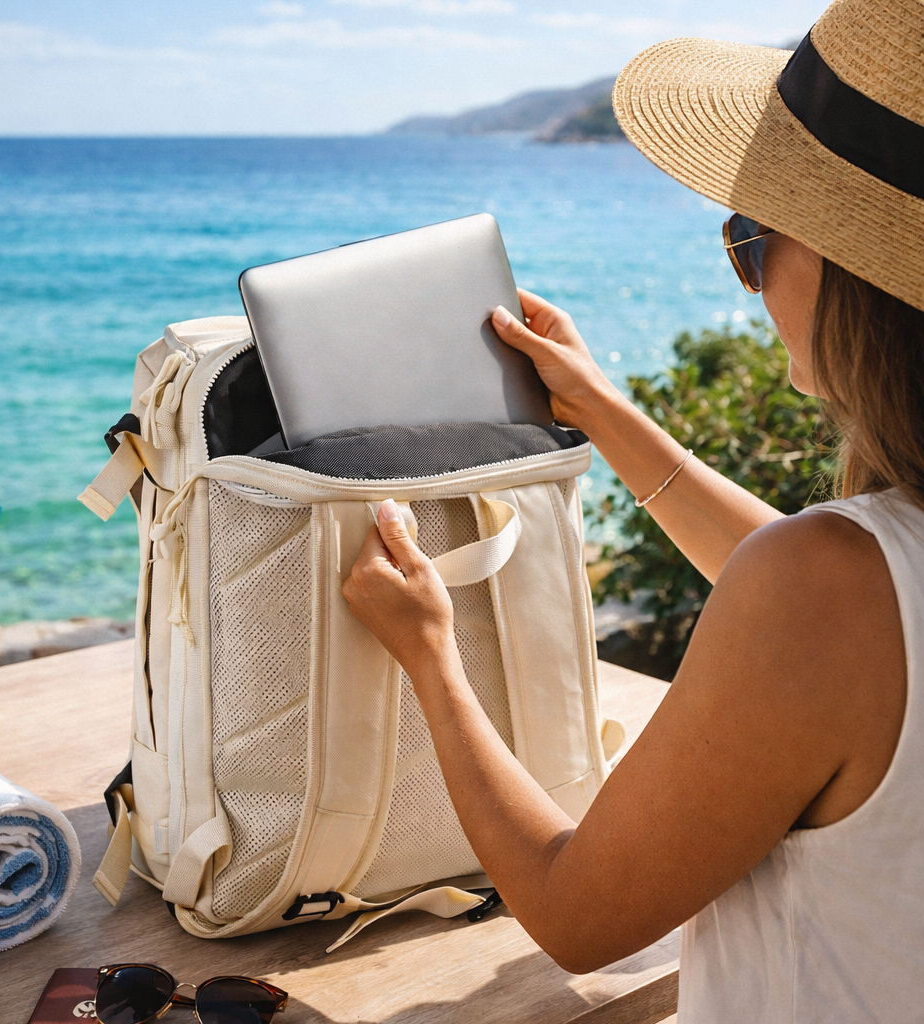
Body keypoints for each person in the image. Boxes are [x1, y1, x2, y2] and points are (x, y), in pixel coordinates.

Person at [341, 1, 924, 1019]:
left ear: (855, 277)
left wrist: (432, 657)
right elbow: (856, 622)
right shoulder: (853, 586)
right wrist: (605, 414)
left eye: (747, 240)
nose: (747, 285)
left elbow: (578, 913)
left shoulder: (825, 588)